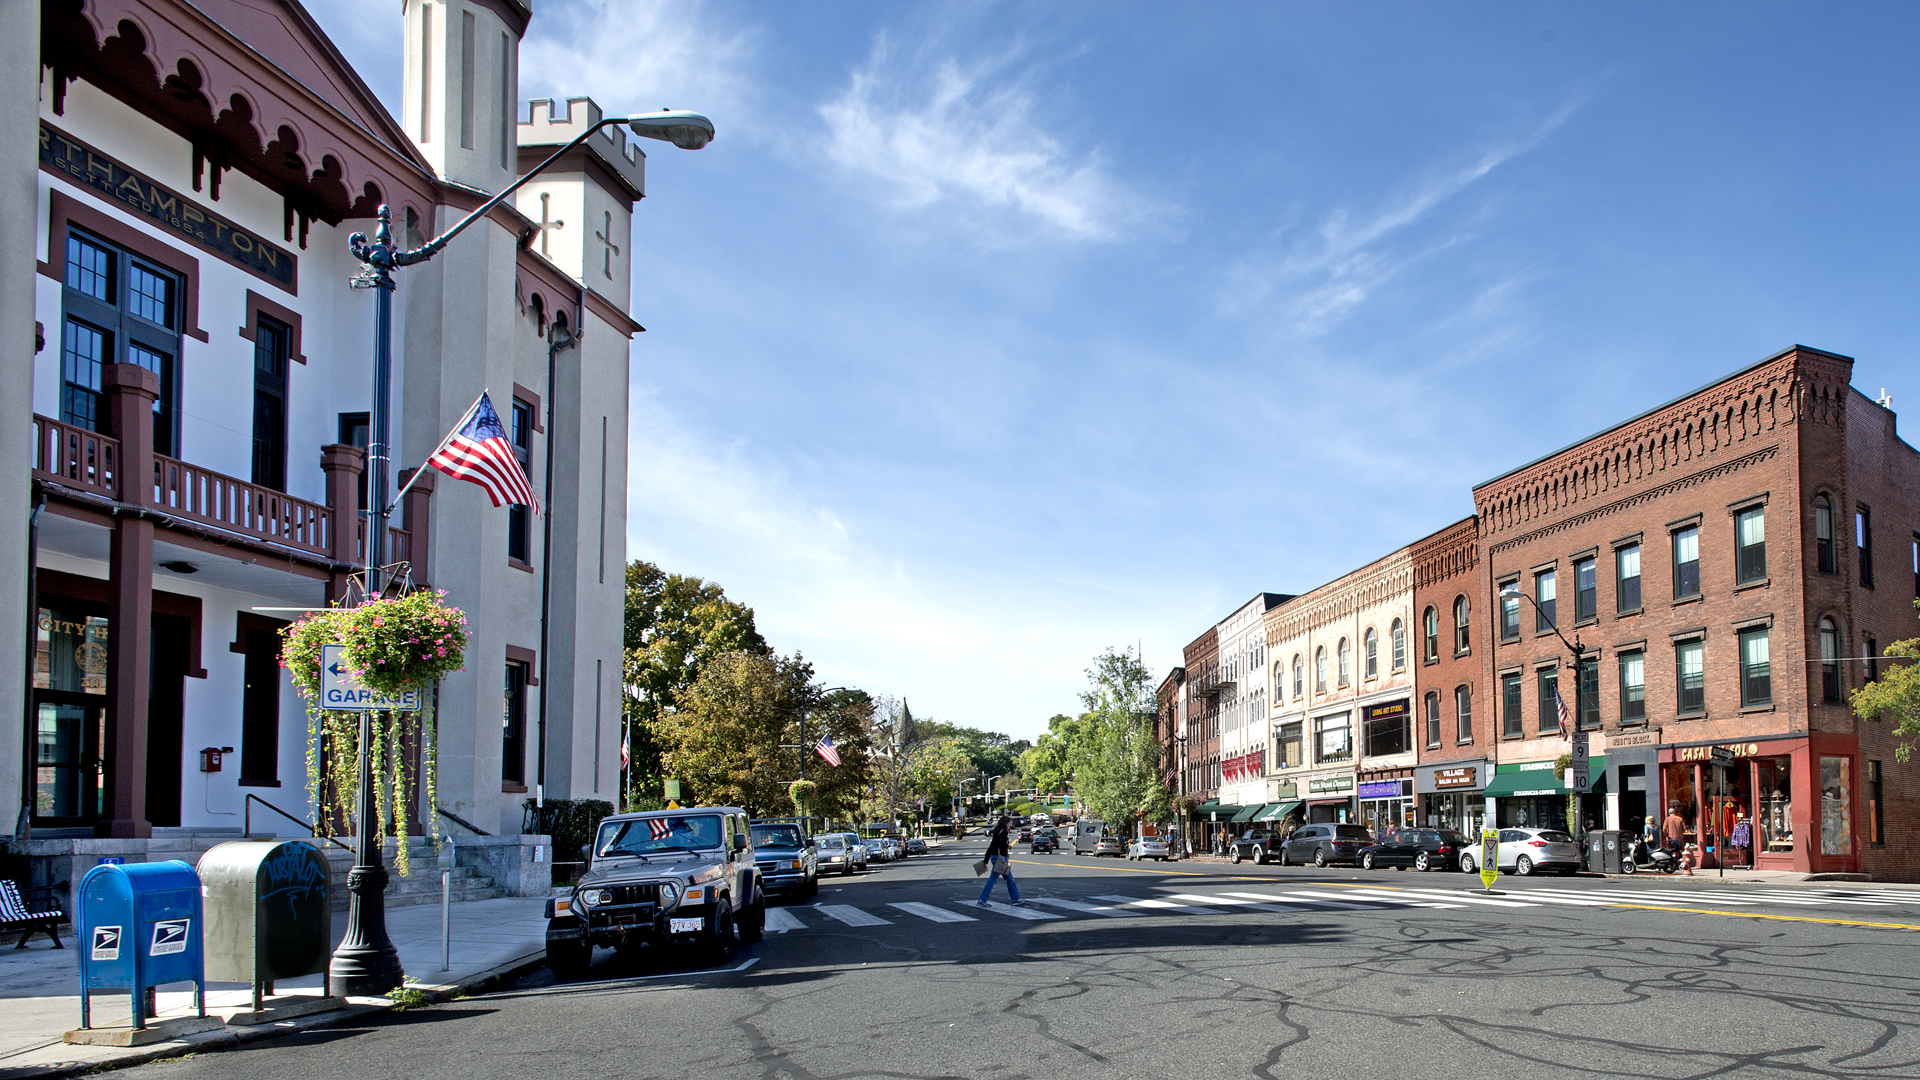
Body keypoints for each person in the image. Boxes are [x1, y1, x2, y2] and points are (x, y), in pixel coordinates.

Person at [978, 815, 1025, 907]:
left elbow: (992, 846)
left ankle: (1015, 898)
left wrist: (986, 860)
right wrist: (1008, 847)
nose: (1010, 825)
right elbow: (1002, 847)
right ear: (1005, 823)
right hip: (1001, 858)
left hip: (994, 857)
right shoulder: (1003, 832)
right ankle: (982, 899)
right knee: (996, 879)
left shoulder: (996, 831)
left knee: (1008, 879)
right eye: (1009, 823)